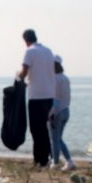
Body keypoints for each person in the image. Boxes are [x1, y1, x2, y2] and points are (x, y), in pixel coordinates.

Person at [17, 29, 55, 168]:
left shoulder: (30, 51)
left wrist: (18, 77)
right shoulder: (48, 51)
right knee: (44, 128)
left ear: (25, 40)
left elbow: (24, 71)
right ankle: (47, 157)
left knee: (35, 129)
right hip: (49, 95)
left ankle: (39, 159)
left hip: (36, 96)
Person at [49, 55, 75, 171]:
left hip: (57, 112)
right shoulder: (65, 78)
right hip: (66, 110)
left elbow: (54, 99)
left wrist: (50, 114)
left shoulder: (55, 79)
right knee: (59, 138)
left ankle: (57, 162)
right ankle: (66, 161)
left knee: (55, 139)